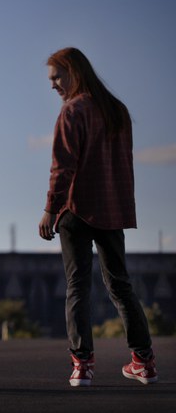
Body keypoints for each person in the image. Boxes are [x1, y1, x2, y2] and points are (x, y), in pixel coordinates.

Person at [38, 47, 157, 386]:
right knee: (120, 285)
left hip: (75, 209)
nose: (53, 85)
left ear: (74, 71)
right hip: (111, 209)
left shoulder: (72, 111)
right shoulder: (117, 110)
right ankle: (144, 362)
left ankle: (82, 366)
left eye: (56, 77)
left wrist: (50, 208)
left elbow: (63, 166)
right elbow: (123, 166)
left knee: (78, 287)